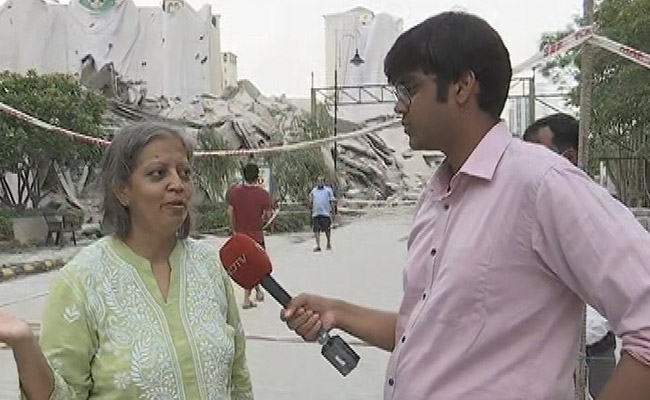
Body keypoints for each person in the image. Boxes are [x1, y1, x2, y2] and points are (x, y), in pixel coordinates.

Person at [281, 11, 650, 400]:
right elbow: (425, 334)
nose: (398, 107)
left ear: (462, 86)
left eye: (409, 89)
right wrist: (338, 312)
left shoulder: (542, 184)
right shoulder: (437, 198)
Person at [0, 122, 253, 399]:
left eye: (184, 173)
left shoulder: (209, 266)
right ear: (122, 190)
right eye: (158, 174)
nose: (178, 184)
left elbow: (238, 379)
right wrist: (24, 344)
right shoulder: (81, 281)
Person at [524, 112, 618, 398]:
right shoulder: (526, 211)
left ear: (570, 157)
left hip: (595, 339)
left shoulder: (599, 211)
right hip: (547, 346)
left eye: (536, 155)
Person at [227, 163, 273, 309]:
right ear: (257, 176)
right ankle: (246, 300)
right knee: (256, 267)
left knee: (247, 266)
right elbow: (268, 216)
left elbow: (230, 212)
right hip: (256, 236)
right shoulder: (264, 195)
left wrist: (233, 230)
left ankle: (258, 292)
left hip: (241, 236)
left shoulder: (234, 193)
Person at [309, 176, 336, 251]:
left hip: (325, 213)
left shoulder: (328, 190)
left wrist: (333, 212)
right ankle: (318, 245)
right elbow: (311, 201)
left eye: (321, 181)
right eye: (318, 181)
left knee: (327, 229)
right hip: (316, 213)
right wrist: (310, 210)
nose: (319, 183)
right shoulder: (313, 191)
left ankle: (328, 243)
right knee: (316, 230)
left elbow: (332, 201)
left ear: (324, 182)